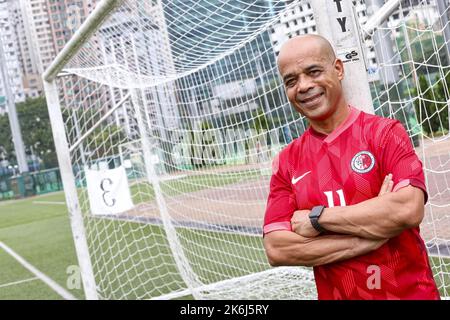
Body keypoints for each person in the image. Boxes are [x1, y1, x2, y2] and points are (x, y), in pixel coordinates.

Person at [262, 34, 440, 300]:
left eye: (313, 71)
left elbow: (407, 208)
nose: (303, 86)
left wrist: (317, 219)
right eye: (291, 80)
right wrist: (366, 238)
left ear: (338, 69)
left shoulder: (385, 133)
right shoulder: (287, 161)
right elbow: (277, 249)